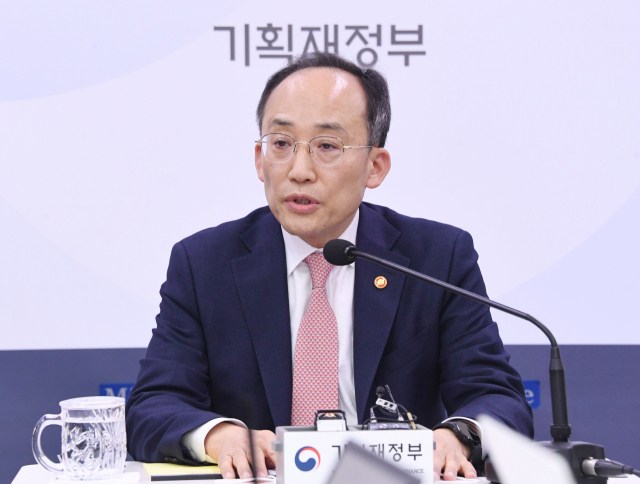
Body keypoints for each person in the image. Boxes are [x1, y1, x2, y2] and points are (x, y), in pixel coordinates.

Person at [126, 52, 533, 481]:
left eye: (327, 147)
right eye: (281, 144)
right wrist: (220, 436)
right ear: (259, 159)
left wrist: (456, 437)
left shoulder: (437, 258)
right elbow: (153, 405)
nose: (299, 171)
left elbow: (498, 397)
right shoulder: (203, 264)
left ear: (375, 166)